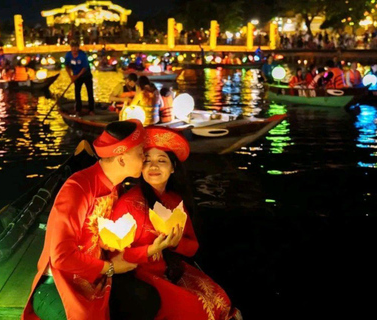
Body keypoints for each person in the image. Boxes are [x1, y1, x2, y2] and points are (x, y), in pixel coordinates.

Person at [22, 119, 162, 320]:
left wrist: (152, 247)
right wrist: (111, 268)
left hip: (96, 279)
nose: (145, 159)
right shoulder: (78, 188)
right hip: (58, 284)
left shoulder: (116, 187)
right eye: (141, 154)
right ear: (121, 159)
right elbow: (62, 257)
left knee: (147, 299)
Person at [110, 126, 242, 320]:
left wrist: (175, 243)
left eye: (161, 160)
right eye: (147, 161)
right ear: (140, 168)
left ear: (172, 168)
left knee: (218, 296)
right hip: (140, 274)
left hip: (171, 268)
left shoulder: (174, 201)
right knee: (194, 306)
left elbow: (192, 248)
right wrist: (151, 249)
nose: (154, 167)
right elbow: (116, 255)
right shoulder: (128, 204)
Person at [65, 41, 95, 116]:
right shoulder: (68, 55)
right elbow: (67, 66)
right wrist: (71, 76)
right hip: (76, 75)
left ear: (78, 48)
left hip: (86, 75)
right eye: (73, 47)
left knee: (90, 92)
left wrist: (77, 76)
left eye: (76, 47)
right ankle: (78, 109)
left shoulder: (82, 55)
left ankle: (91, 109)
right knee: (77, 92)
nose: (74, 49)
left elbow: (84, 68)